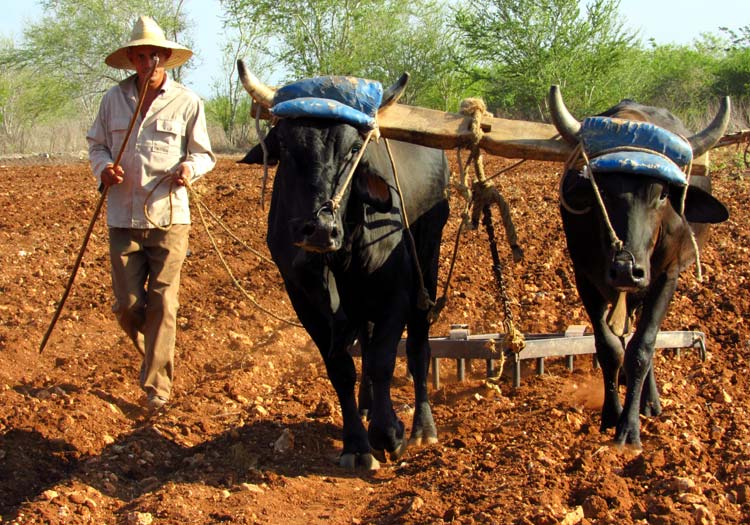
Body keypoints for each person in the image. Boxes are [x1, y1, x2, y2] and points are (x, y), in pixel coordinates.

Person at [87, 16, 216, 413]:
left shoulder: (188, 101)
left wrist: (188, 170)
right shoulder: (113, 100)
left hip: (170, 217)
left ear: (165, 58)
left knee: (163, 301)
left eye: (154, 55)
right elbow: (96, 146)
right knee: (128, 305)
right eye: (140, 56)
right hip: (121, 216)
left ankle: (157, 388)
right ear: (131, 59)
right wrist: (104, 169)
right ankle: (152, 348)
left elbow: (203, 154)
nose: (148, 62)